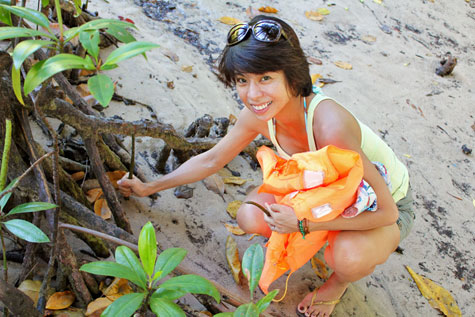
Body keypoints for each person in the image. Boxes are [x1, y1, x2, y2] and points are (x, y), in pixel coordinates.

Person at [118, 15, 415, 317]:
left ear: (294, 76)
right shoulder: (260, 115)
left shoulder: (330, 124)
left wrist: (304, 225)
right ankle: (309, 239)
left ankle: (337, 282)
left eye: (266, 79)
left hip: (379, 204)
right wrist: (149, 187)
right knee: (250, 216)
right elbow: (212, 159)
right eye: (242, 81)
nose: (252, 94)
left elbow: (388, 212)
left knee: (347, 257)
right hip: (321, 192)